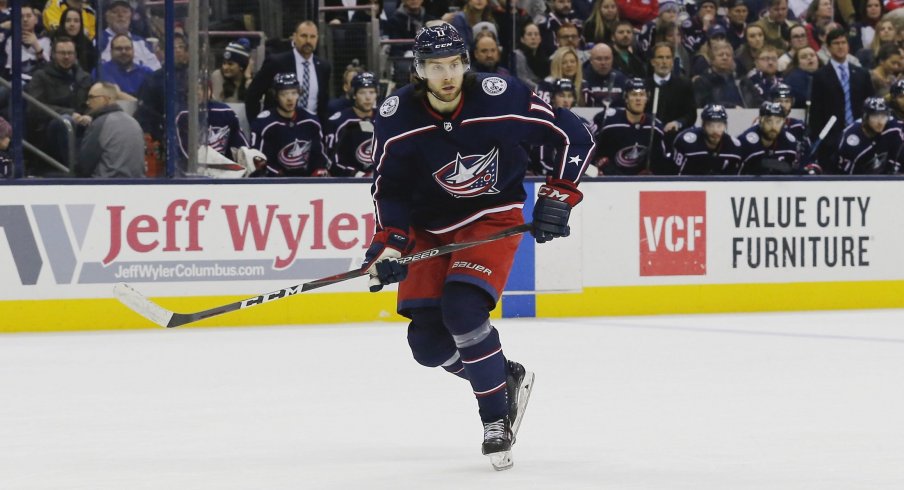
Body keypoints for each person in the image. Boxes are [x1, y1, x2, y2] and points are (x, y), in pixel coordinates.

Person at [364, 23, 593, 470]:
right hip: (428, 228)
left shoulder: (500, 96)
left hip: (490, 219)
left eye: (453, 64)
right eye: (435, 66)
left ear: (465, 64)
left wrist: (559, 196)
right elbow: (387, 187)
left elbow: (575, 133)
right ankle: (501, 376)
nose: (447, 75)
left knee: (463, 312)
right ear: (419, 71)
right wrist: (389, 246)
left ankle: (495, 421)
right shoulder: (397, 117)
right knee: (427, 344)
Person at [809, 28, 874, 167]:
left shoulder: (862, 74)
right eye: (836, 43)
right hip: (831, 139)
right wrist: (822, 138)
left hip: (861, 135)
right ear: (828, 47)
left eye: (843, 42)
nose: (840, 46)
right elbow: (816, 111)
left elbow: (869, 105)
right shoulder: (820, 76)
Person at [245, 21, 332, 123]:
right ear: (294, 37)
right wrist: (256, 124)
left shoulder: (323, 67)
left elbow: (323, 104)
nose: (308, 40)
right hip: (278, 128)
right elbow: (253, 94)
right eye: (303, 36)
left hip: (311, 129)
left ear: (317, 38)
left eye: (312, 37)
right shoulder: (276, 62)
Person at [249, 73, 330, 177]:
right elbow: (257, 159)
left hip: (307, 182)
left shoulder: (311, 120)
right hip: (274, 184)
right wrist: (278, 175)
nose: (290, 98)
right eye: (284, 94)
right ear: (276, 95)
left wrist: (320, 169)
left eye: (294, 93)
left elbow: (319, 155)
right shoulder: (264, 123)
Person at [592, 77, 669, 174]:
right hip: (609, 180)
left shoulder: (655, 126)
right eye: (634, 94)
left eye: (642, 94)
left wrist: (653, 171)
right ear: (626, 98)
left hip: (639, 183)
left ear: (647, 98)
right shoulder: (606, 120)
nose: (638, 99)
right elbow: (589, 148)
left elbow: (662, 160)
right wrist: (598, 164)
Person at [76, 81, 145, 178]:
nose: (87, 102)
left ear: (105, 99)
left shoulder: (100, 123)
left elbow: (84, 165)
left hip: (106, 186)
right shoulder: (134, 122)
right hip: (136, 185)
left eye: (91, 97)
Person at [529, 78, 591, 175]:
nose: (566, 100)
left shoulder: (583, 124)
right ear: (553, 97)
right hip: (546, 178)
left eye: (569, 96)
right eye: (561, 95)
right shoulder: (544, 122)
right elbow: (541, 162)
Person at [324, 71, 378, 177]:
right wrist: (358, 174)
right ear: (354, 95)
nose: (368, 97)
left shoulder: (385, 119)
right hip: (349, 183)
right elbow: (331, 162)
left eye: (372, 92)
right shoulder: (338, 122)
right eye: (362, 92)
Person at [837, 97, 903, 174]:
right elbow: (847, 178)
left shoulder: (893, 127)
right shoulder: (851, 139)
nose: (880, 122)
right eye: (875, 116)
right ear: (865, 117)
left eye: (883, 116)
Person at [647, 42, 697, 143]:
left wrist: (678, 123)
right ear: (652, 62)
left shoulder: (684, 85)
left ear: (672, 61)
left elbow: (691, 114)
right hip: (648, 138)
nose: (664, 62)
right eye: (660, 57)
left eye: (668, 57)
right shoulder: (644, 86)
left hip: (675, 139)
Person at [672, 103, 743, 174]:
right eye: (710, 125)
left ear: (725, 126)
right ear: (703, 125)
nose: (715, 130)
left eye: (719, 125)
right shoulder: (686, 143)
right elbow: (674, 175)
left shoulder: (733, 147)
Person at [738, 101, 800, 174]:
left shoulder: (789, 142)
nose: (773, 126)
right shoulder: (745, 142)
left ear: (783, 122)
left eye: (778, 121)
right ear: (760, 120)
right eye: (769, 121)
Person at [98, 0, 160, 70]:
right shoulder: (98, 41)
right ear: (106, 16)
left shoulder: (141, 42)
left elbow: (155, 69)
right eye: (115, 12)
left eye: (125, 11)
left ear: (131, 16)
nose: (120, 15)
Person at [3, 5, 51, 82]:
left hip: (37, 84)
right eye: (21, 16)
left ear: (36, 19)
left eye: (29, 16)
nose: (25, 19)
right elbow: (7, 70)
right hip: (14, 83)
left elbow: (48, 70)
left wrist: (36, 46)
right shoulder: (10, 40)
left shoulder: (45, 40)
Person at [694, 40, 746, 107]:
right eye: (720, 55)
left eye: (728, 55)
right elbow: (704, 104)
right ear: (712, 59)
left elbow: (754, 102)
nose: (725, 58)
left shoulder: (742, 81)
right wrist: (731, 107)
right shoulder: (702, 82)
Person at [769, 82, 810, 158]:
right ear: (771, 103)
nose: (783, 105)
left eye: (787, 101)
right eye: (779, 101)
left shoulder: (799, 126)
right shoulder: (763, 126)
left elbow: (808, 157)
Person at [581, 43, 626, 108]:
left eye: (607, 58)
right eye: (599, 59)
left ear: (612, 59)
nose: (603, 62)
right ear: (591, 60)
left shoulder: (621, 78)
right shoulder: (583, 78)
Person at [210, 38, 252, 103]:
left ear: (241, 66)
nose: (225, 67)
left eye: (230, 64)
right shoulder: (218, 75)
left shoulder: (250, 80)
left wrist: (248, 78)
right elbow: (217, 103)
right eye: (224, 63)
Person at [57, 8, 96, 72]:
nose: (72, 24)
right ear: (63, 23)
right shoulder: (53, 39)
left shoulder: (87, 44)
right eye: (68, 20)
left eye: (76, 21)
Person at [513, 23, 549, 89]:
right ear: (522, 39)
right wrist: (539, 88)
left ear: (540, 39)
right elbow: (522, 79)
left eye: (536, 34)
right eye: (529, 34)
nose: (533, 37)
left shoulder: (544, 57)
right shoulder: (518, 55)